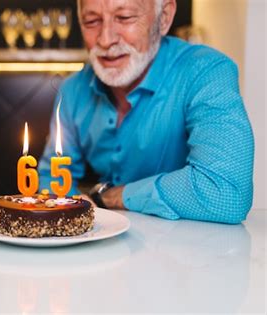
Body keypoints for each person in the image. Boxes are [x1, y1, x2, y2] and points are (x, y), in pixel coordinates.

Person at [38, 0, 254, 224]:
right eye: (91, 21)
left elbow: (227, 191)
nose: (105, 39)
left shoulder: (206, 72)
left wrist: (115, 197)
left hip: (189, 251)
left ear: (164, 18)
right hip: (106, 249)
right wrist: (76, 210)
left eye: (125, 18)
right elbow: (50, 177)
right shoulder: (72, 90)